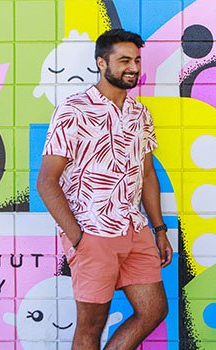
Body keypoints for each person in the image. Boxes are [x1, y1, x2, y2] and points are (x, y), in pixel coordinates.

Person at [36, 28, 172, 349]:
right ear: (101, 63)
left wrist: (159, 228)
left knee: (154, 309)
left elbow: (148, 173)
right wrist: (78, 238)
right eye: (124, 60)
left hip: (134, 229)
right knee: (91, 327)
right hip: (92, 233)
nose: (134, 68)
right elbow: (46, 180)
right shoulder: (73, 110)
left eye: (137, 60)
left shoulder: (140, 113)